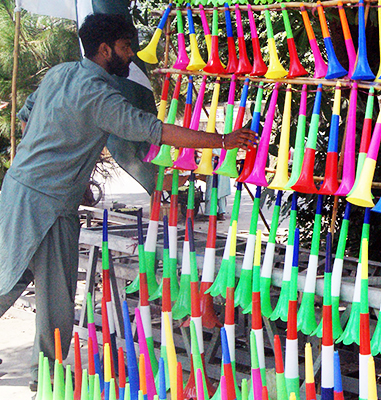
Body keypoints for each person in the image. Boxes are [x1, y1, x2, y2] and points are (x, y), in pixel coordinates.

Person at [0, 13, 256, 389]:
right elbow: (156, 132)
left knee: (10, 275)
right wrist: (221, 141)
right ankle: (49, 379)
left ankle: (47, 374)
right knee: (56, 295)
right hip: (50, 204)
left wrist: (52, 151)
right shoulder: (97, 94)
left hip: (18, 189)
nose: (131, 55)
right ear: (105, 50)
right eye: (125, 47)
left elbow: (26, 117)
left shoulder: (60, 73)